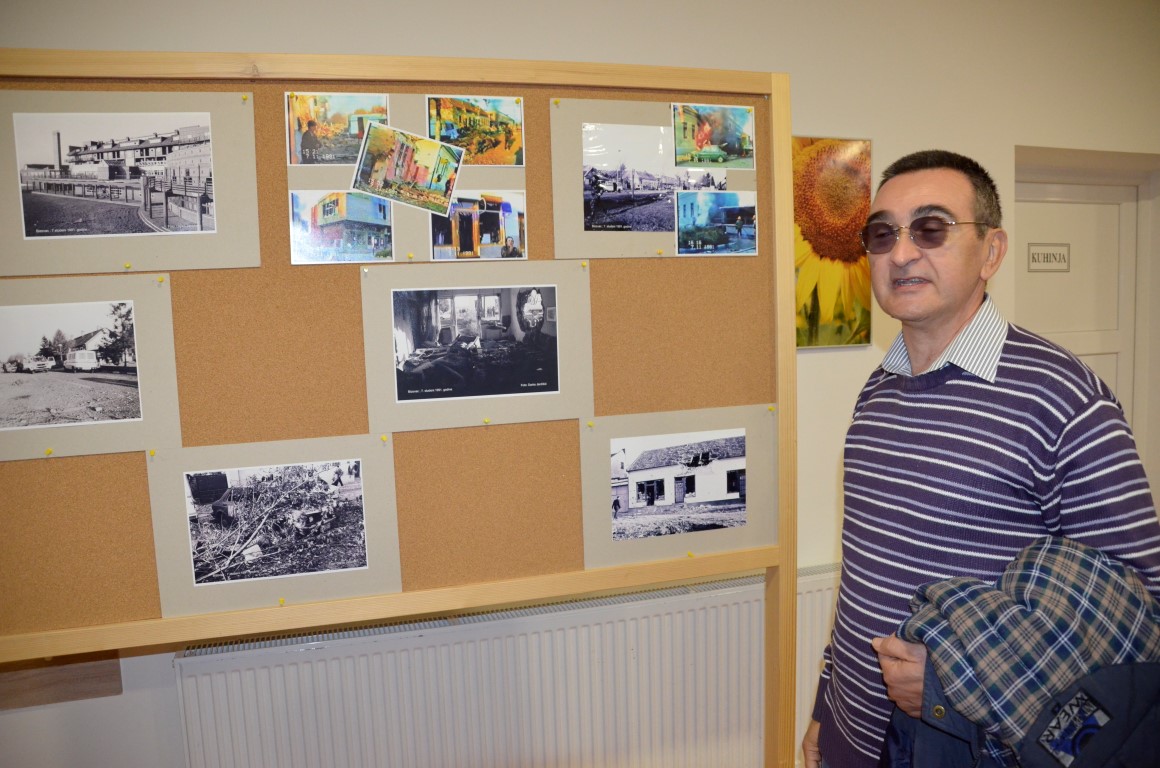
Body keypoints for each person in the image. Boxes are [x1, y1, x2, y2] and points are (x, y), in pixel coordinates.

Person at [802, 149, 1160, 768]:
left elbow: (1139, 614)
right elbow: (863, 574)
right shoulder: (878, 391)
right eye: (882, 234)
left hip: (967, 750)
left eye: (931, 229)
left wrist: (953, 684)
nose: (902, 253)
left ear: (991, 252)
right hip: (853, 737)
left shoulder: (1063, 397)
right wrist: (824, 710)